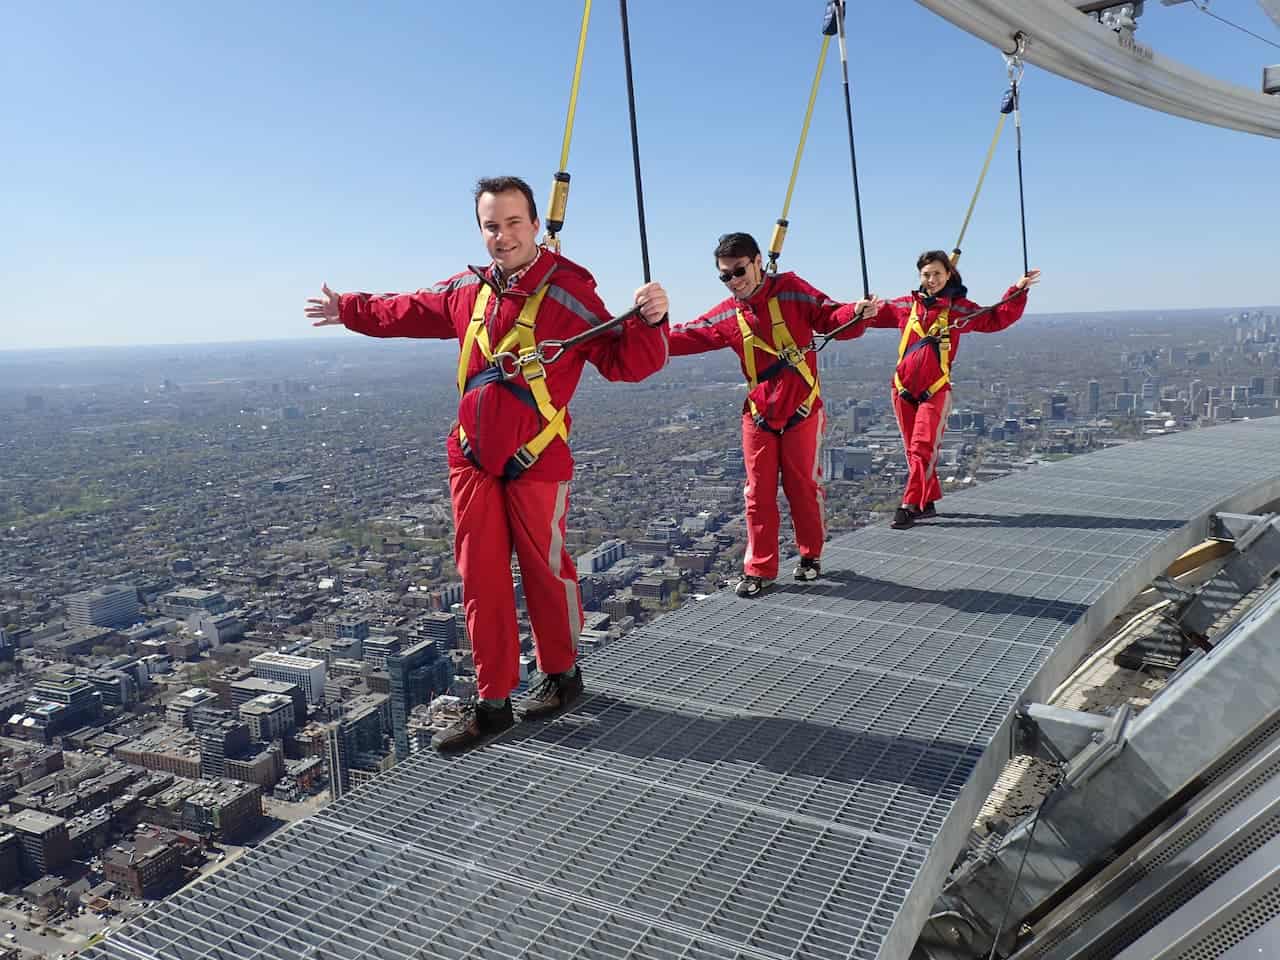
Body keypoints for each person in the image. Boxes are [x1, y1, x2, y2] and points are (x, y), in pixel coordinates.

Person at [306, 175, 670, 751]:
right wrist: (347, 307)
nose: (501, 237)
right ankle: (494, 701)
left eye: (512, 223)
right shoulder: (468, 290)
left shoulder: (569, 294)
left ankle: (562, 675)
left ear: (534, 226)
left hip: (536, 454)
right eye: (491, 226)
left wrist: (651, 322)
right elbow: (406, 309)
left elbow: (626, 363)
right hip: (472, 456)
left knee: (545, 569)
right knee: (481, 577)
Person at [668, 232, 877, 598]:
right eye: (725, 276)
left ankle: (810, 556)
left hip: (801, 411)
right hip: (760, 415)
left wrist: (857, 314)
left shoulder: (793, 290)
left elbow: (830, 316)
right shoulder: (728, 313)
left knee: (803, 488)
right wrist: (639, 334)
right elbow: (686, 336)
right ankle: (760, 569)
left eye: (739, 271)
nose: (734, 281)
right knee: (757, 494)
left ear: (758, 261)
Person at [858, 250, 1040, 529]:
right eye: (926, 274)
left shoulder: (958, 308)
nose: (931, 280)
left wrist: (1017, 291)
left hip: (935, 390)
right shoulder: (905, 306)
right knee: (912, 450)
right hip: (902, 390)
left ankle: (910, 505)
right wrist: (860, 308)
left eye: (937, 274)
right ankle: (927, 500)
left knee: (922, 448)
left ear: (948, 275)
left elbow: (995, 318)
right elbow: (867, 316)